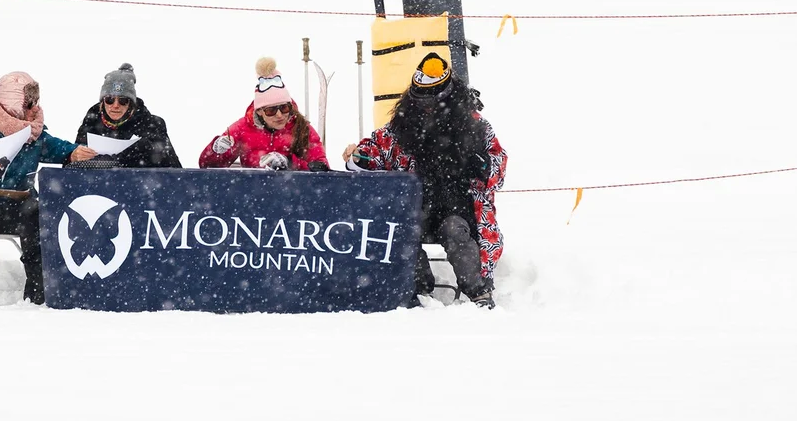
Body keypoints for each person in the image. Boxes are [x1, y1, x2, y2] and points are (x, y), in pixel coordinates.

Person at [343, 52, 506, 309]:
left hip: (459, 208)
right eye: (421, 99)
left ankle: (478, 291)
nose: (427, 106)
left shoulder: (476, 127)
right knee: (401, 230)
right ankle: (416, 288)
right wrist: (358, 158)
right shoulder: (400, 129)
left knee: (454, 230)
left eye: (433, 100)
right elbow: (371, 151)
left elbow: (499, 167)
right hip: (415, 208)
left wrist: (483, 165)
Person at [0, 71, 95, 306]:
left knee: (34, 207)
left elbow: (58, 148)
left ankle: (36, 284)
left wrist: (74, 152)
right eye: (29, 102)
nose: (34, 107)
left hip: (18, 210)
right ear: (13, 104)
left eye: (35, 101)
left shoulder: (36, 135)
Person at [200, 57, 329, 171]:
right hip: (252, 194)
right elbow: (207, 167)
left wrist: (289, 162)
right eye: (271, 110)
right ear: (260, 111)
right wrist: (216, 151)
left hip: (293, 194)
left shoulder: (301, 128)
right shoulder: (242, 129)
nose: (279, 115)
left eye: (284, 108)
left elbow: (321, 167)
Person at [72, 62, 181, 168]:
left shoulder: (152, 124)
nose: (115, 105)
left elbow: (174, 170)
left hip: (141, 184)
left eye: (123, 100)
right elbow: (70, 168)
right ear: (102, 102)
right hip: (99, 184)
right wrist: (75, 156)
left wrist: (142, 152)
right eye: (109, 100)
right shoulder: (91, 121)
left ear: (131, 104)